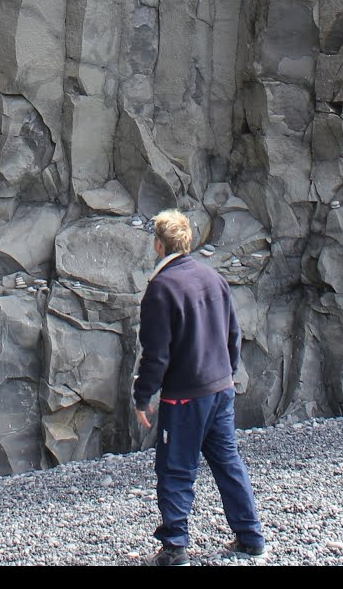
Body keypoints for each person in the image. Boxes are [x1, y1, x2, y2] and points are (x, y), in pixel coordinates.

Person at [133, 208, 266, 566]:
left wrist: (142, 397)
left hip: (184, 397)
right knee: (227, 463)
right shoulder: (212, 278)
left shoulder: (160, 289)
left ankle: (175, 547)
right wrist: (227, 374)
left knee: (175, 468)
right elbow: (233, 334)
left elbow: (156, 355)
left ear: (158, 245)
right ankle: (251, 537)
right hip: (220, 389)